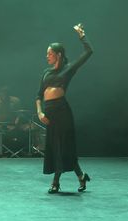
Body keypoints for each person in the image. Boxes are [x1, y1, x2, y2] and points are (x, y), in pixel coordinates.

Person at [35, 23, 93, 193]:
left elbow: (89, 52)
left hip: (62, 112)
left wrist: (82, 35)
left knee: (63, 147)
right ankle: (81, 176)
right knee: (56, 148)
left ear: (58, 55)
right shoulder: (46, 73)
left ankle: (56, 183)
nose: (47, 56)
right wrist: (40, 112)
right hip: (49, 113)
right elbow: (38, 96)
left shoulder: (68, 70)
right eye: (47, 54)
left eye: (50, 54)